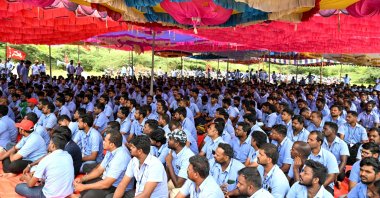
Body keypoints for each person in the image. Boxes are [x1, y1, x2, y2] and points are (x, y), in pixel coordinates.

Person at [74, 130, 133, 198]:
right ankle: (80, 196)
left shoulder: (121, 157)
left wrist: (84, 187)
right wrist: (82, 179)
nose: (103, 142)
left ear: (112, 144)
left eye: (105, 141)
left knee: (89, 194)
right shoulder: (111, 150)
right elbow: (99, 170)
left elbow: (107, 184)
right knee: (86, 181)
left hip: (116, 187)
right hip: (107, 180)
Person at [15, 134, 74, 198]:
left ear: (53, 145)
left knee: (18, 187)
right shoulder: (68, 156)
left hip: (50, 195)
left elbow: (30, 184)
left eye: (49, 143)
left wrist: (25, 177)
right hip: (68, 192)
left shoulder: (46, 159)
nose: (48, 145)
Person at [166, 129, 195, 198]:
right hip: (175, 179)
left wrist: (169, 164)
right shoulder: (173, 150)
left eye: (170, 139)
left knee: (173, 194)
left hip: (188, 185)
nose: (168, 141)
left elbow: (178, 184)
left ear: (177, 144)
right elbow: (168, 172)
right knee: (159, 188)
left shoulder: (188, 157)